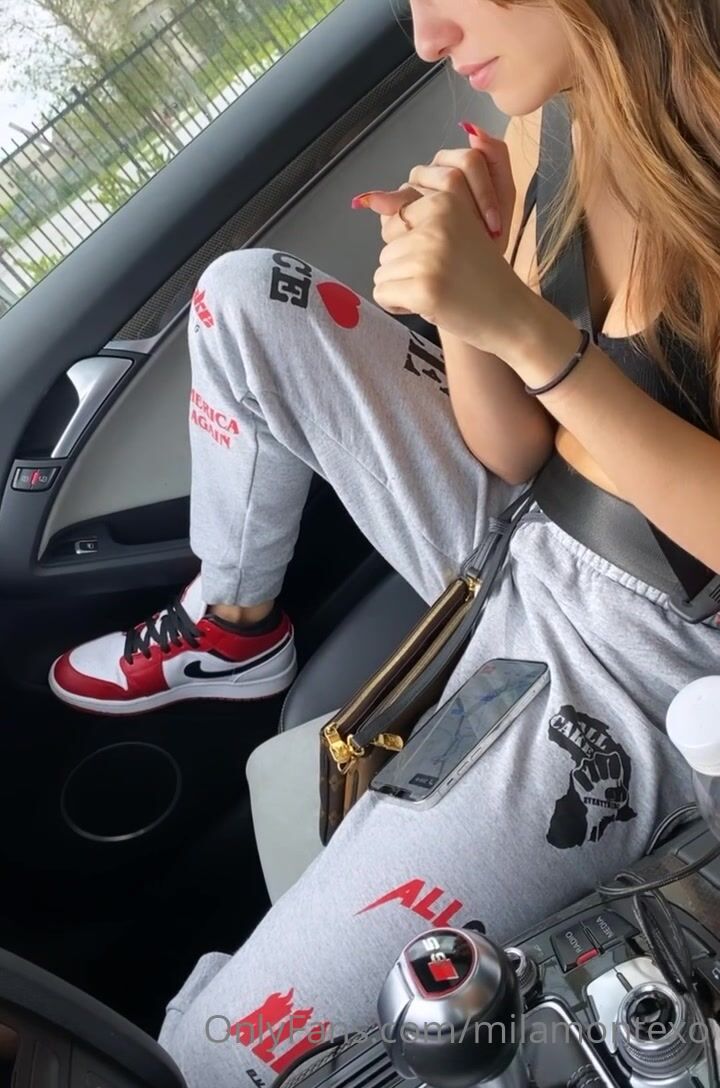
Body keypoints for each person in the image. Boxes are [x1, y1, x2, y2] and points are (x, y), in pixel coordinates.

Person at [49, 1, 720, 1084]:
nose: (425, 37)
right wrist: (466, 293)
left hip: (650, 655)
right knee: (243, 295)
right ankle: (232, 624)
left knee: (215, 1066)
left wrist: (529, 333)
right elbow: (513, 450)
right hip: (527, 529)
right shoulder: (553, 115)